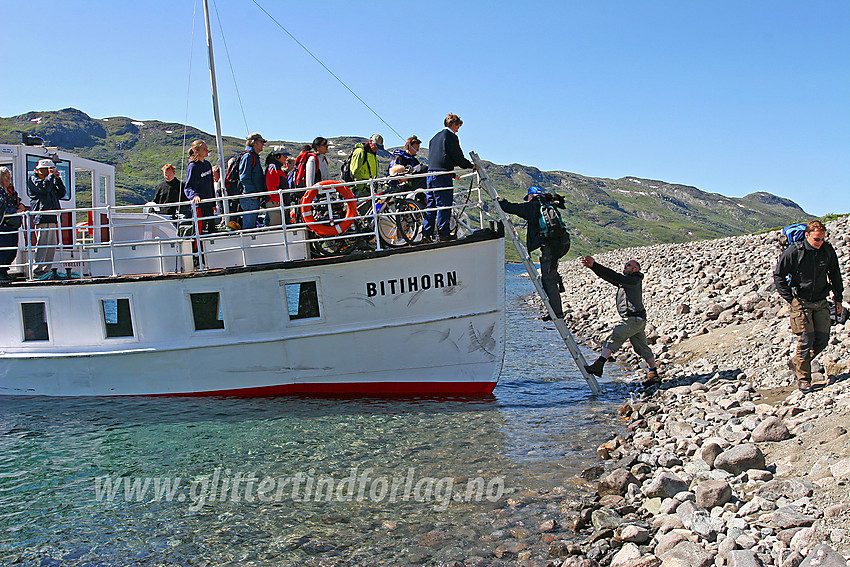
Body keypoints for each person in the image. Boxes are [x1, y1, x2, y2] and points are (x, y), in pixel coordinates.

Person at [773, 220, 843, 392]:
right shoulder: (795, 251)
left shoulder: (826, 250)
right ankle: (804, 380)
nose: (820, 243)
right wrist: (791, 299)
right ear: (807, 235)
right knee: (805, 341)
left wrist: (838, 298)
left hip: (820, 301)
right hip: (801, 302)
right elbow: (779, 275)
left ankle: (796, 363)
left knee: (822, 340)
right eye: (816, 239)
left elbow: (835, 272)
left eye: (822, 239)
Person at [580, 256, 660, 385]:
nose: (625, 266)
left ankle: (599, 365)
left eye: (628, 265)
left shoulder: (633, 280)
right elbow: (609, 277)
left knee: (615, 336)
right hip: (638, 320)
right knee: (641, 348)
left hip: (633, 319)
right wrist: (593, 267)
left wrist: (595, 265)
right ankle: (653, 374)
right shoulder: (627, 281)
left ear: (636, 269)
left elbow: (615, 276)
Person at [497, 186, 569, 320]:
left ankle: (557, 313)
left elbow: (514, 208)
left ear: (531, 196)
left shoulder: (534, 206)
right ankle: (557, 284)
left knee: (547, 279)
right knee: (550, 273)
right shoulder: (549, 204)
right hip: (561, 244)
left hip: (550, 246)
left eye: (528, 197)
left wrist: (502, 202)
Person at [424, 114, 474, 242]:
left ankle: (426, 233)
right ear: (454, 124)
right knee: (444, 205)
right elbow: (457, 157)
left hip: (430, 175)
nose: (458, 129)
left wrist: (452, 174)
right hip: (442, 176)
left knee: (431, 204)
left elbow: (441, 157)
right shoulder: (451, 136)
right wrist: (471, 166)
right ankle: (443, 233)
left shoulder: (434, 138)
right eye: (458, 126)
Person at [184, 140, 217, 234]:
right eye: (204, 149)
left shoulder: (207, 164)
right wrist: (194, 196)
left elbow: (211, 184)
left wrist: (213, 202)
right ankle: (196, 248)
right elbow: (188, 187)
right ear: (196, 151)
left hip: (209, 203)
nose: (207, 151)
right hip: (199, 204)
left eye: (207, 149)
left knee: (211, 229)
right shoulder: (193, 166)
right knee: (199, 230)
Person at [238, 132, 267, 231]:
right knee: (249, 225)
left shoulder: (252, 156)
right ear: (254, 143)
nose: (263, 144)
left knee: (251, 224)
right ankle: (247, 242)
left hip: (252, 196)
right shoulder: (248, 156)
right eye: (261, 141)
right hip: (250, 197)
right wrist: (252, 192)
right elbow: (244, 177)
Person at [0, 166, 24, 280]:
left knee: (11, 250)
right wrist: (15, 211)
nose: (9, 178)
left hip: (13, 225)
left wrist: (21, 206)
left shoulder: (11, 191)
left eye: (9, 176)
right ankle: (1, 272)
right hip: (3, 225)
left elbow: (17, 201)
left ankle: (4, 271)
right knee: (3, 249)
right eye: (6, 176)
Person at [264, 150, 290, 226]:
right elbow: (271, 186)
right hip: (275, 203)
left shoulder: (276, 167)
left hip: (277, 202)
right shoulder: (273, 167)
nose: (286, 158)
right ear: (278, 156)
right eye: (284, 155)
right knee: (276, 228)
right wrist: (278, 199)